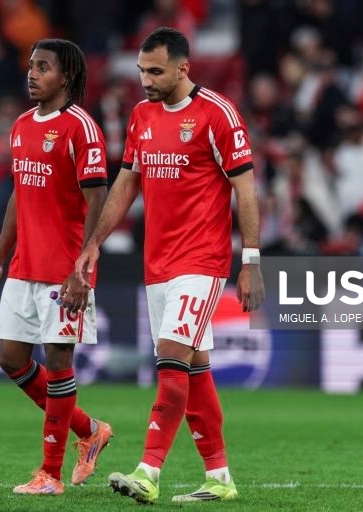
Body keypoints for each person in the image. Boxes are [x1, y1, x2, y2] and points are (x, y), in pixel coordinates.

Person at [75, 27, 265, 504]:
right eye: (141, 70)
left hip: (201, 260)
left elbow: (245, 188)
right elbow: (126, 184)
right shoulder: (142, 115)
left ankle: (148, 471)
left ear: (184, 68)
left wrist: (251, 260)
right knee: (195, 367)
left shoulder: (217, 115)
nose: (145, 79)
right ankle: (219, 477)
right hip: (157, 263)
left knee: (170, 360)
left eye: (155, 71)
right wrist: (94, 242)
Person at [0, 38, 113, 495]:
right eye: (31, 66)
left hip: (64, 268)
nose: (32, 74)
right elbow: (19, 195)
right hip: (23, 266)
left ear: (67, 77)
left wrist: (82, 266)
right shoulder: (20, 126)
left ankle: (50, 474)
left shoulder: (81, 128)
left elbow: (98, 196)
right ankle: (89, 430)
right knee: (11, 358)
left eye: (43, 67)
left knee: (58, 360)